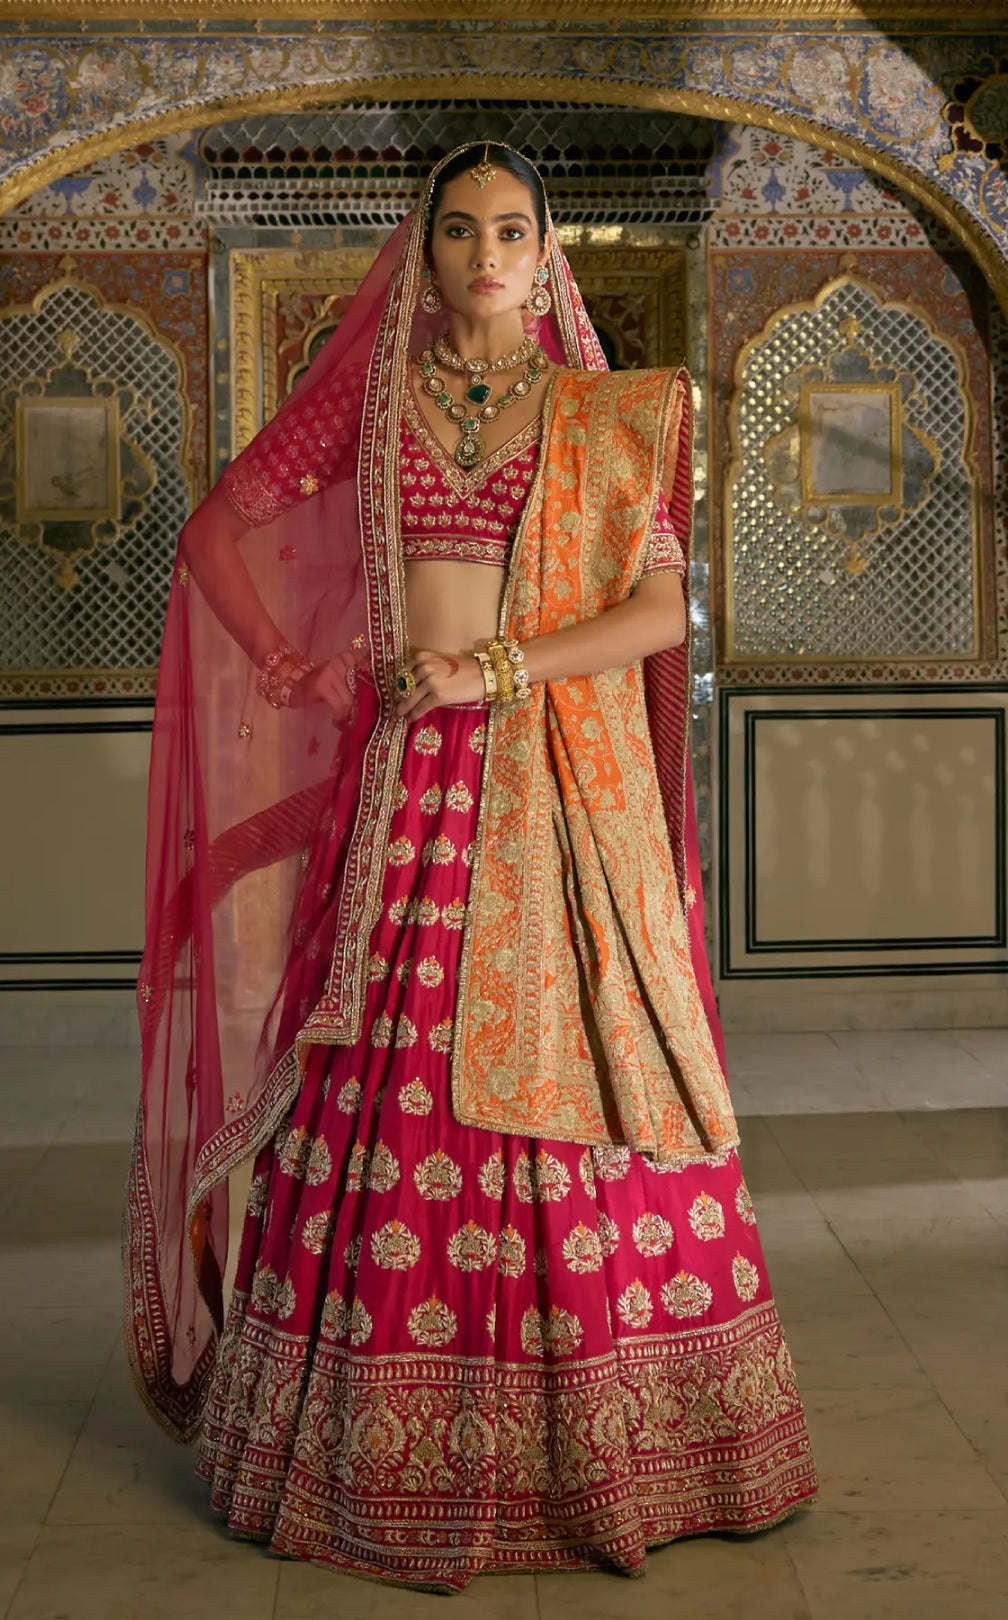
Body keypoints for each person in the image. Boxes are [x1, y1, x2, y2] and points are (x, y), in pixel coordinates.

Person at [125, 142, 817, 1591]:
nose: (486, 252)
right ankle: (375, 1445)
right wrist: (292, 663)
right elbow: (215, 534)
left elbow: (652, 616)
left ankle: (623, 1449)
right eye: (459, 230)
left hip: (552, 786)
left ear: (548, 251)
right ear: (422, 253)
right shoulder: (369, 405)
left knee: (573, 1092)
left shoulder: (606, 416)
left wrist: (498, 667)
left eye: (512, 230)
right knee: (394, 1082)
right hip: (409, 792)